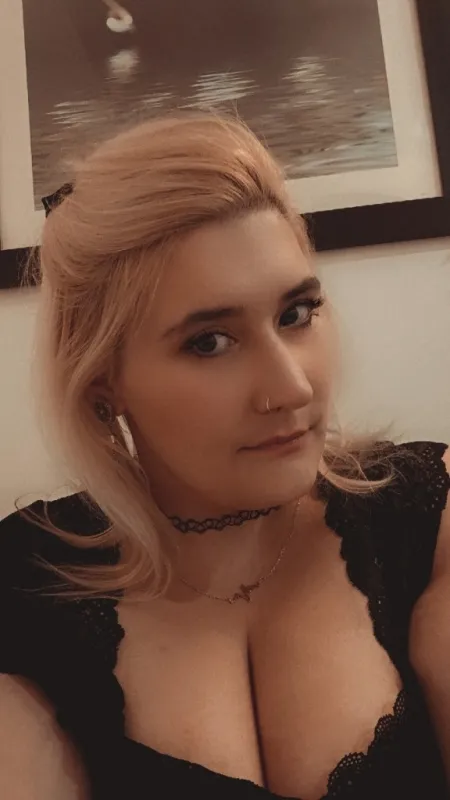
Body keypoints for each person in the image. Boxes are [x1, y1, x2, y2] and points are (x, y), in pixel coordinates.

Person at [0, 112, 449, 800]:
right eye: (209, 342)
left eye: (296, 314)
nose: (292, 388)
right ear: (102, 382)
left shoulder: (425, 517)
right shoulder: (30, 585)